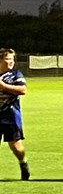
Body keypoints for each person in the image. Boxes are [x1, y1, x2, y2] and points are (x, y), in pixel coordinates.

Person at [0, 48, 29, 181]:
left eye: (12, 59)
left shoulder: (16, 74)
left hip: (10, 114)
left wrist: (4, 86)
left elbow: (23, 90)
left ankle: (23, 164)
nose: (10, 62)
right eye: (7, 59)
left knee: (15, 145)